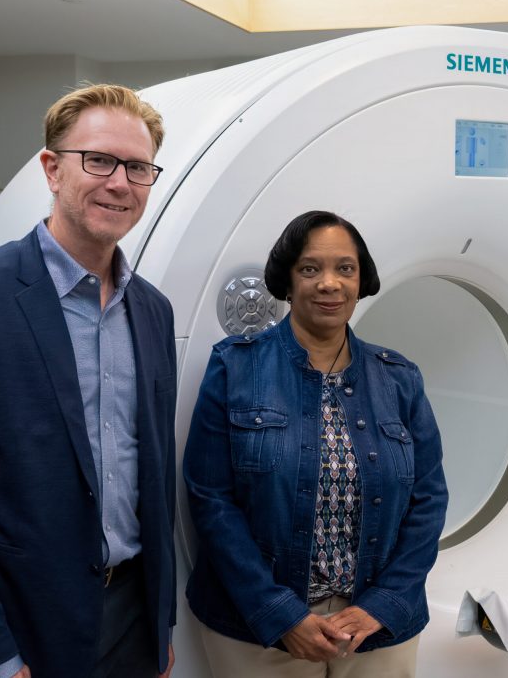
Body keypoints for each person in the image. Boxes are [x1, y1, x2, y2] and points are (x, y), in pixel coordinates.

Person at [0, 84, 177, 678]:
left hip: (129, 617)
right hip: (14, 618)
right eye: (98, 160)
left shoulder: (152, 311)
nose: (119, 183)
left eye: (138, 168)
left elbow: (152, 475)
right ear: (52, 168)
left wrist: (160, 620)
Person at [184, 210, 448, 677]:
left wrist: (384, 603)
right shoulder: (235, 368)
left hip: (374, 626)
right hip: (259, 626)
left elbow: (428, 500)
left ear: (361, 278)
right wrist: (279, 613)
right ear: (286, 280)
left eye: (345, 268)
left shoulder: (399, 379)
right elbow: (211, 500)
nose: (330, 283)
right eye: (310, 269)